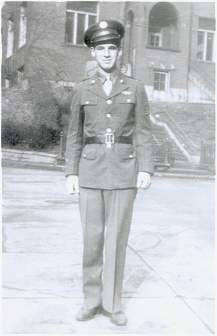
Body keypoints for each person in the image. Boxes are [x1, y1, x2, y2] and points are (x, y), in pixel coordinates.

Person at [65, 19, 153, 326]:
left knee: (116, 239)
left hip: (124, 171)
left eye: (111, 48)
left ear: (119, 52)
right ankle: (91, 301)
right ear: (92, 52)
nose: (106, 54)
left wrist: (146, 168)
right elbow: (74, 134)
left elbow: (143, 131)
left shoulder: (135, 88)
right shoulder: (81, 90)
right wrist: (70, 172)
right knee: (92, 240)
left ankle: (113, 304)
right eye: (100, 48)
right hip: (89, 171)